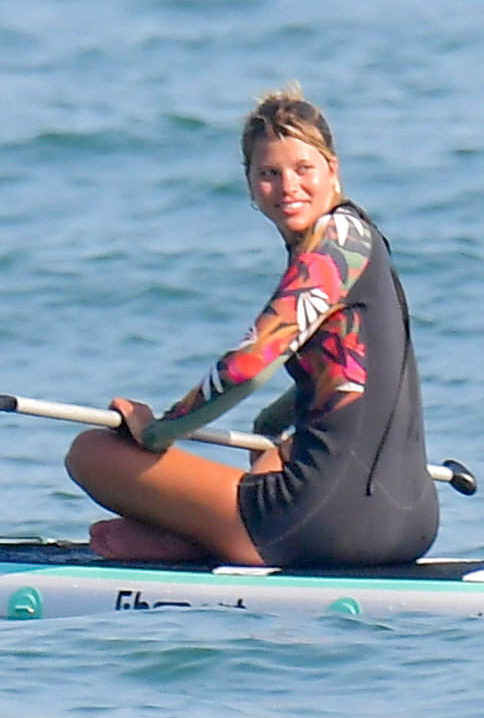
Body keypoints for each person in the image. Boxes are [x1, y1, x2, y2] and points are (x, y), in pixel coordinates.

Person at [64, 86, 439, 567]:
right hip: (412, 523)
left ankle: (197, 543)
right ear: (250, 185)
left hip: (327, 523)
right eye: (270, 174)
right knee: (274, 455)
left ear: (333, 171)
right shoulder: (365, 246)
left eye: (304, 169)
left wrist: (159, 432)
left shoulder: (335, 243)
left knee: (90, 452)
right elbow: (370, 372)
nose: (288, 187)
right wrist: (272, 423)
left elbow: (250, 365)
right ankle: (205, 538)